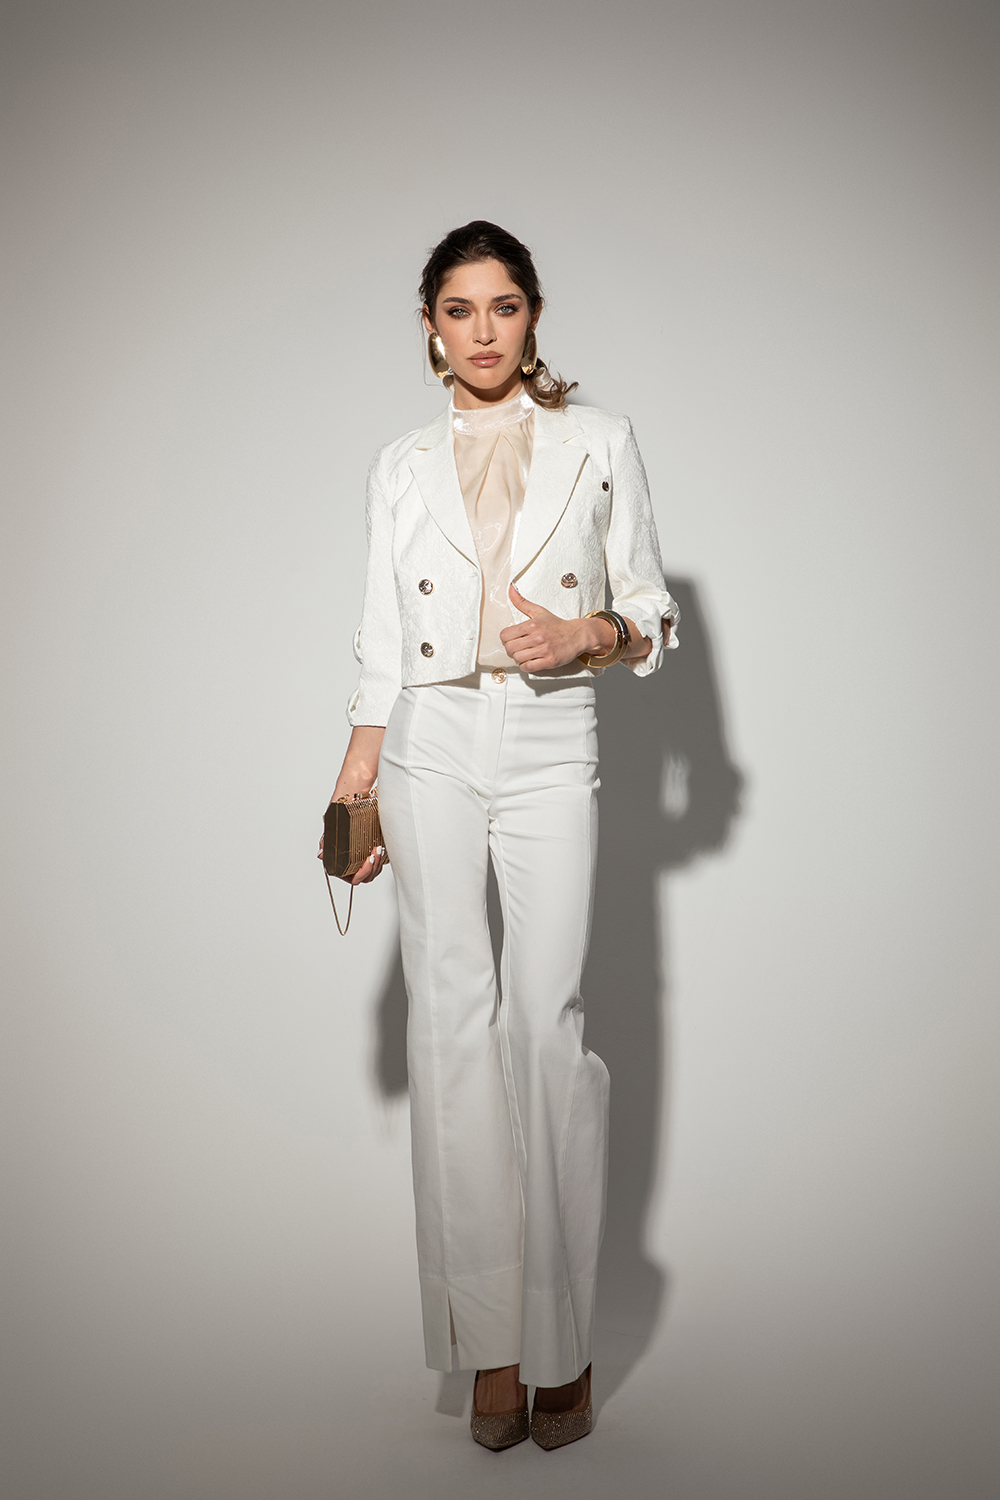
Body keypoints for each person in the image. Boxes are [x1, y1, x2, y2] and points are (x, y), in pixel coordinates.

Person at [324, 221, 678, 1450]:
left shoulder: (599, 441)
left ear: (533, 317)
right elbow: (380, 636)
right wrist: (358, 779)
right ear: (431, 326)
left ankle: (562, 1341)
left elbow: (649, 603)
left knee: (546, 1024)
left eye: (505, 306)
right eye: (459, 309)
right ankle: (493, 1346)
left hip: (548, 733)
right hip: (427, 739)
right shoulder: (399, 463)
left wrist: (591, 636)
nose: (483, 330)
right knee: (448, 1024)